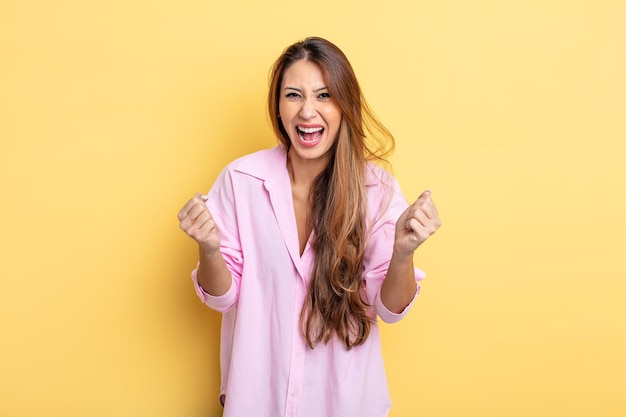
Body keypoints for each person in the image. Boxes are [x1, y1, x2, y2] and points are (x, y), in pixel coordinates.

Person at [177, 36, 441, 417]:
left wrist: (403, 251)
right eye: (293, 95)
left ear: (344, 105)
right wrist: (209, 248)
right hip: (257, 401)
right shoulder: (240, 180)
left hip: (345, 405)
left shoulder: (376, 191)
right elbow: (222, 297)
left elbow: (390, 309)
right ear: (278, 106)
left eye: (323, 95)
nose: (307, 111)